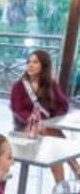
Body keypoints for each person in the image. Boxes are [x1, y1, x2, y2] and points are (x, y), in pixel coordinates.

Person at [10, 49, 78, 181]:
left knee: (54, 148)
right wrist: (33, 121)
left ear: (44, 65)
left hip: (46, 127)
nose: (30, 65)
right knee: (52, 136)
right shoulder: (18, 86)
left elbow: (63, 105)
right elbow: (17, 109)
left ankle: (61, 187)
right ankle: (75, 168)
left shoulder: (51, 84)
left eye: (35, 62)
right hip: (25, 127)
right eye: (29, 62)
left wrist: (52, 119)